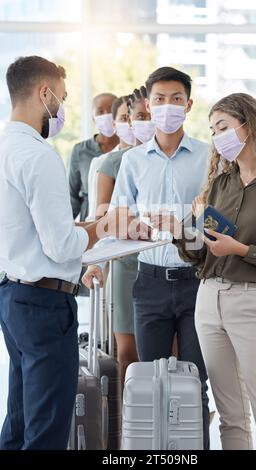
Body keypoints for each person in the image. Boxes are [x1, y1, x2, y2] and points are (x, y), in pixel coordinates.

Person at [172, 92, 256, 450]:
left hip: (254, 304)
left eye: (223, 127)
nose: (217, 137)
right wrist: (185, 229)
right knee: (230, 417)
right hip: (208, 300)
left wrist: (242, 250)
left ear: (250, 124)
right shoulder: (219, 184)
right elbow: (199, 256)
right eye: (213, 130)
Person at [0, 56, 104, 450]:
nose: (61, 109)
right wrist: (99, 229)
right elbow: (60, 245)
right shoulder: (39, 155)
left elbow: (23, 228)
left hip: (13, 296)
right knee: (46, 430)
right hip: (44, 305)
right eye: (60, 98)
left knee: (20, 418)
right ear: (44, 93)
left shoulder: (4, 146)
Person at [108, 67, 211, 449]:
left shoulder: (209, 156)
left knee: (195, 382)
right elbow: (116, 215)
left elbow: (221, 220)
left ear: (189, 104)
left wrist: (184, 223)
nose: (168, 106)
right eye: (160, 99)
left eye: (176, 99)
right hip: (148, 283)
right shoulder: (134, 160)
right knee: (148, 384)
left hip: (197, 281)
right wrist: (131, 225)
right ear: (149, 106)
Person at [82, 87, 155, 388]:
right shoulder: (112, 163)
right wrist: (96, 263)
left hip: (163, 264)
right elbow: (103, 222)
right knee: (127, 355)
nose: (142, 122)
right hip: (125, 265)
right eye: (136, 117)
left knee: (162, 355)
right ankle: (125, 426)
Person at [68, 92, 118, 221]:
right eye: (100, 112)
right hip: (89, 222)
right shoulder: (81, 150)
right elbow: (72, 197)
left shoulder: (128, 150)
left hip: (121, 221)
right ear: (93, 118)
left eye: (111, 110)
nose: (107, 115)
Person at [86, 95, 135, 221]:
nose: (130, 124)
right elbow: (96, 216)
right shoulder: (103, 163)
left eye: (136, 118)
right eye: (124, 119)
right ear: (114, 124)